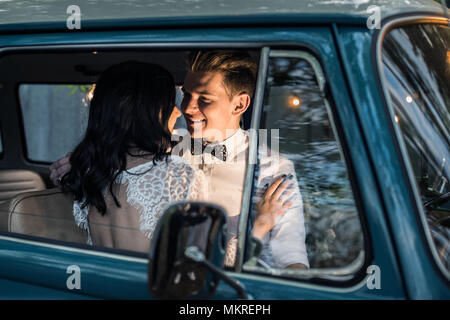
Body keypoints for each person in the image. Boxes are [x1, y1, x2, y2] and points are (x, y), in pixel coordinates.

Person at [52, 51, 309, 269]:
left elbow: (291, 256)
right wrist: (78, 160)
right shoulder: (165, 143)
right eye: (186, 94)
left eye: (204, 99)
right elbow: (122, 142)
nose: (186, 108)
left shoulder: (273, 167)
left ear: (239, 104)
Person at [59, 61, 208, 253]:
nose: (177, 111)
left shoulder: (91, 171)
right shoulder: (179, 175)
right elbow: (198, 259)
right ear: (150, 112)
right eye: (170, 104)